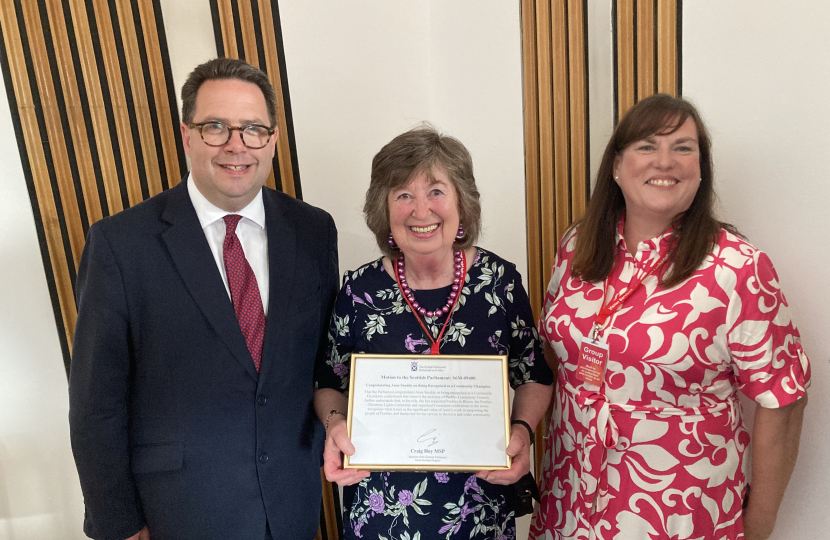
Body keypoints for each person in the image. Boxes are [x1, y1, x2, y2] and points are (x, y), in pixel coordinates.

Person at [68, 58, 338, 540]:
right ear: (187, 134)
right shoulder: (121, 244)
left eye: (253, 129)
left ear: (273, 139)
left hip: (293, 504)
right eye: (216, 127)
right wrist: (119, 525)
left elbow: (325, 364)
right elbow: (95, 404)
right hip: (178, 514)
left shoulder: (314, 231)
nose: (237, 145)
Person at [529, 94, 811, 540]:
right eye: (647, 146)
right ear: (617, 166)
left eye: (683, 148)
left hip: (681, 511)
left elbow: (784, 399)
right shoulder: (577, 246)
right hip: (572, 504)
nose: (665, 161)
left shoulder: (738, 268)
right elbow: (551, 354)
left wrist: (758, 526)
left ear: (701, 170)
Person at [314, 126, 554, 539]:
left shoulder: (499, 282)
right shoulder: (359, 292)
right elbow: (328, 382)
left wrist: (522, 431)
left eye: (436, 191)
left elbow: (533, 373)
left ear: (462, 202)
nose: (420, 210)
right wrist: (336, 423)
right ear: (384, 210)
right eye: (403, 194)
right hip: (382, 508)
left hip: (479, 504)